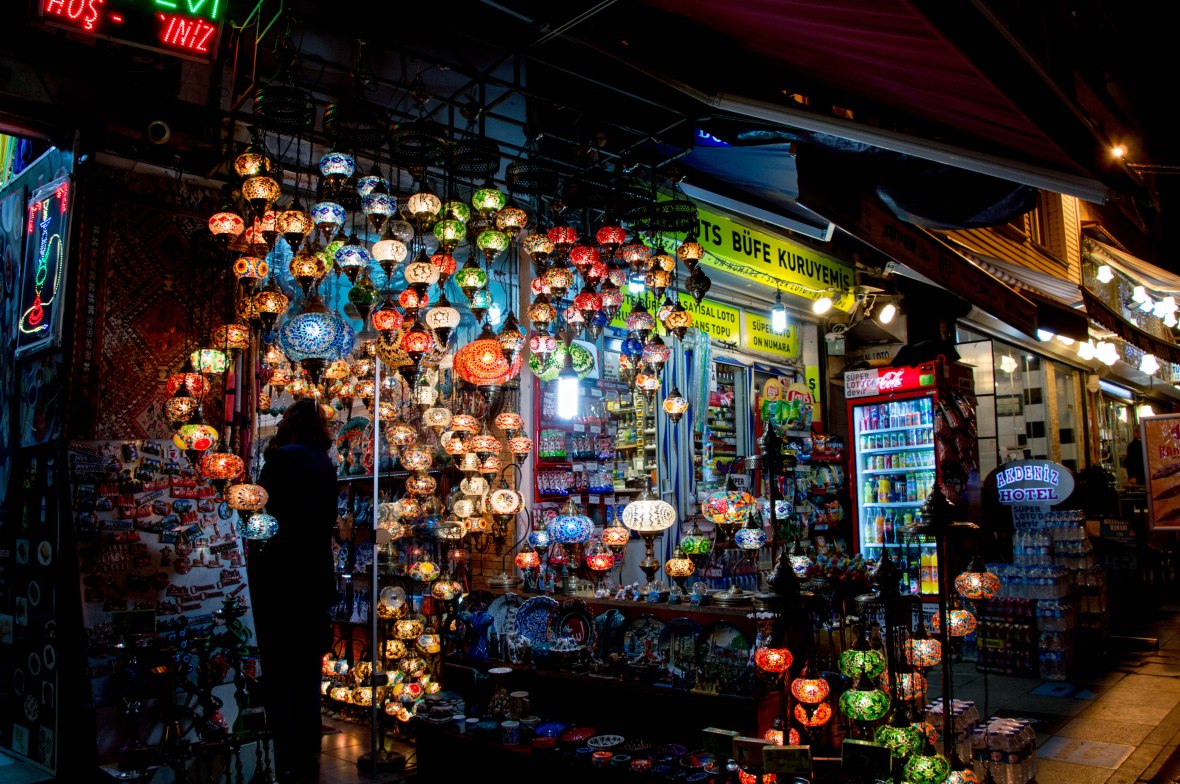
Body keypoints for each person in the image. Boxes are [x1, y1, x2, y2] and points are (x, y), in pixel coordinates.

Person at [250, 398, 339, 783]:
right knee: (306, 668)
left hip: (280, 573)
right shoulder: (325, 464)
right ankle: (308, 743)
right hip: (314, 572)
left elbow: (263, 515)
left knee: (280, 665)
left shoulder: (282, 460)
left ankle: (284, 744)